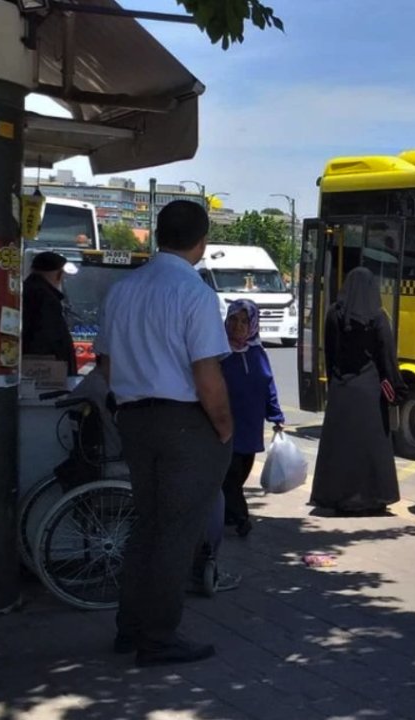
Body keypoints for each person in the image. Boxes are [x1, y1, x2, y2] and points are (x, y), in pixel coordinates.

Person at [95, 200, 233, 667]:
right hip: (184, 423)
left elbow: (107, 364)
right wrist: (224, 427)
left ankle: (129, 627)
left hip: (134, 418)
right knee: (177, 532)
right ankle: (159, 637)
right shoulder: (194, 292)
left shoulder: (124, 289)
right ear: (202, 241)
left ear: (157, 235)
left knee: (147, 525)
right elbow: (207, 375)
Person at [310, 267, 402, 515]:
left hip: (342, 389)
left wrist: (334, 382)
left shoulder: (333, 314)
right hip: (370, 391)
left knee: (341, 447)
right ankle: (373, 497)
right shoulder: (379, 318)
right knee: (371, 448)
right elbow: (387, 359)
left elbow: (329, 353)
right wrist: (395, 387)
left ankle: (338, 497)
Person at [219, 299, 285, 536]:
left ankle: (227, 512)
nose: (238, 326)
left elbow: (268, 384)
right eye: (233, 320)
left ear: (253, 325)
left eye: (244, 321)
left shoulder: (257, 352)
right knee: (231, 473)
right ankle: (241, 516)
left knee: (241, 471)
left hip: (251, 424)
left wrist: (276, 414)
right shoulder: (219, 351)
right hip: (226, 422)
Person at [21, 251, 77, 375]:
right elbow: (50, 335)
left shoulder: (27, 290)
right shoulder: (46, 297)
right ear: (59, 274)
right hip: (44, 368)